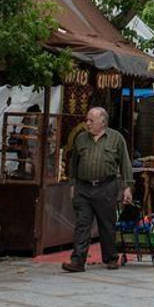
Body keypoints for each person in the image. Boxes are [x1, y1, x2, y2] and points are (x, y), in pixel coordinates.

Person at [61, 106, 133, 273]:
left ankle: (111, 257)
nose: (87, 123)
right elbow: (74, 163)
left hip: (106, 187)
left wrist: (127, 187)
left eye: (91, 120)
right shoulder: (81, 139)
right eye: (87, 119)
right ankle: (78, 260)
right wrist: (72, 184)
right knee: (82, 225)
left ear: (102, 121)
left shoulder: (116, 138)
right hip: (84, 188)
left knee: (107, 224)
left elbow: (125, 163)